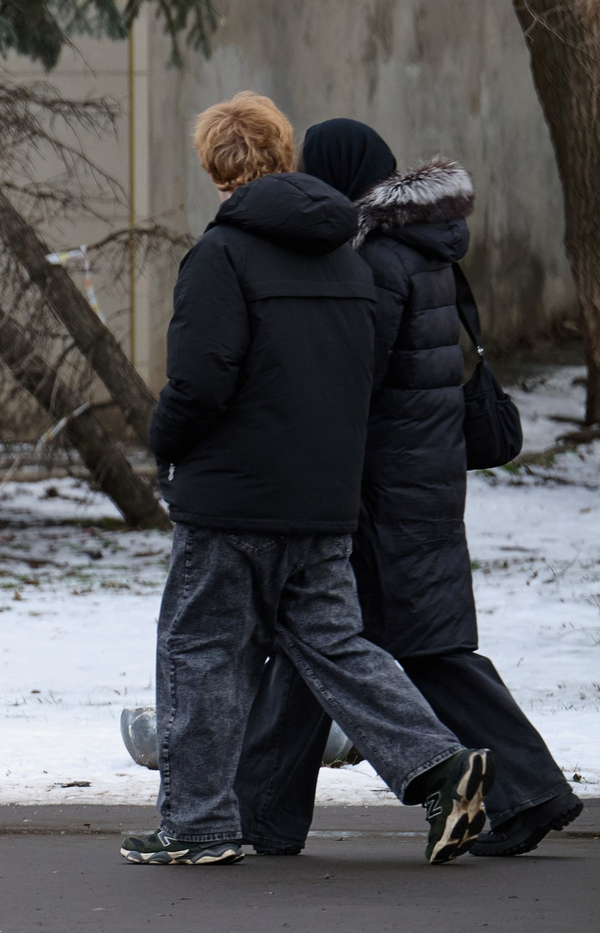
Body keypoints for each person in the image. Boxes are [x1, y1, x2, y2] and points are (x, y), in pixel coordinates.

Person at [122, 92, 491, 867]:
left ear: (216, 166)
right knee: (338, 649)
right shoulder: (345, 255)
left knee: (200, 649)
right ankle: (441, 762)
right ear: (283, 153)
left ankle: (195, 825)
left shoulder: (220, 256)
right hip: (324, 504)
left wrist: (164, 447)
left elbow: (199, 383)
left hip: (232, 501)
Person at [234, 121, 583, 858]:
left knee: (400, 648)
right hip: (419, 479)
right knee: (323, 641)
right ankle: (260, 812)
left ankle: (529, 793)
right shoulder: (423, 250)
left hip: (382, 490)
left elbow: (353, 381)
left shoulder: (379, 263)